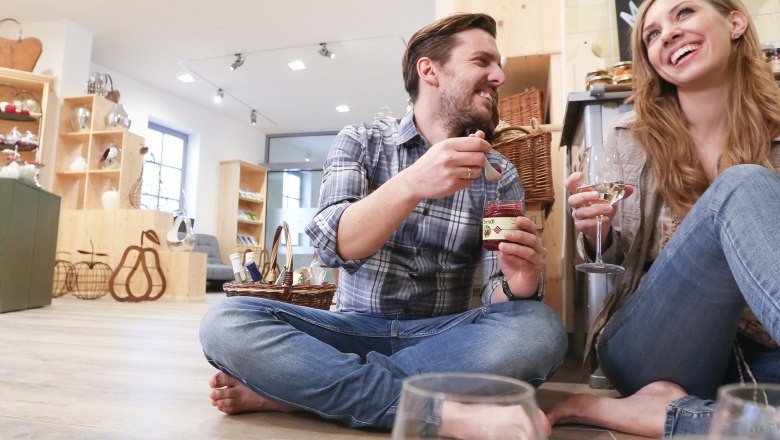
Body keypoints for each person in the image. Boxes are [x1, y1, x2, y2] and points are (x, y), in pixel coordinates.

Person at [199, 12, 567, 437]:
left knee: (539, 329)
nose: (499, 76)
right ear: (429, 70)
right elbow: (331, 246)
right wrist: (411, 183)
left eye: (497, 64)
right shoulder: (360, 141)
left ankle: (306, 391)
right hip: (349, 328)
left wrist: (519, 284)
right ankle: (439, 412)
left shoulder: (498, 174)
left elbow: (498, 300)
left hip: (442, 338)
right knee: (225, 321)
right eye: (482, 61)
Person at [547, 0, 780, 437]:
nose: (668, 33)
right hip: (657, 345)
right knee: (744, 183)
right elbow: (617, 256)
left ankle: (668, 415)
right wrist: (597, 233)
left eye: (684, 12)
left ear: (735, 22)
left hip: (762, 344)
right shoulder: (630, 137)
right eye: (651, 34)